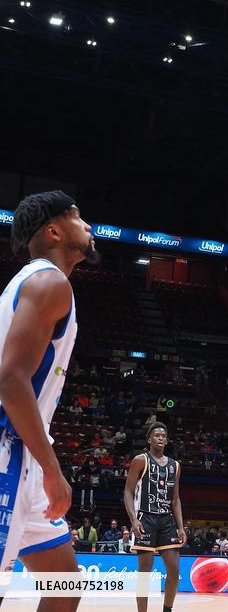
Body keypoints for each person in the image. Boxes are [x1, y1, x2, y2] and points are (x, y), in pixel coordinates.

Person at [0, 192, 99, 612]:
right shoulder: (49, 282)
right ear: (55, 230)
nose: (89, 226)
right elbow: (10, 378)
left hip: (22, 457)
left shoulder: (30, 283)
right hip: (9, 452)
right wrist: (52, 468)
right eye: (79, 218)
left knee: (64, 585)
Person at [124, 422, 186, 612]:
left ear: (167, 441)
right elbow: (128, 492)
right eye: (156, 435)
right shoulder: (140, 460)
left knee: (174, 571)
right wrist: (134, 520)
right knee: (144, 573)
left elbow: (175, 499)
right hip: (145, 519)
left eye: (163, 436)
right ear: (149, 439)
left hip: (167, 520)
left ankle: (167, 609)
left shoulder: (175, 466)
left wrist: (181, 526)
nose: (160, 438)